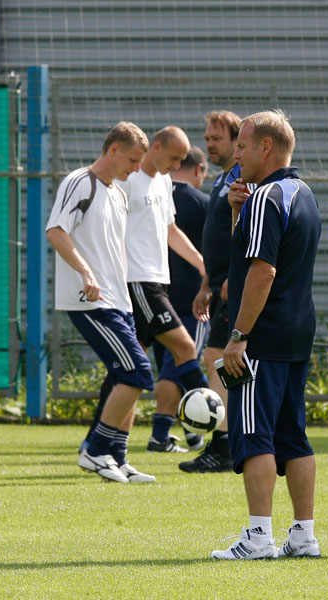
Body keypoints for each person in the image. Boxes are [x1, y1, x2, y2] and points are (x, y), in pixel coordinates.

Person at [211, 110, 322, 560]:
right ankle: (304, 535)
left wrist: (238, 336)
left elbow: (262, 272)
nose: (236, 154)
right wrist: (237, 212)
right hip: (297, 332)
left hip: (263, 336)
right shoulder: (303, 193)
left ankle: (259, 537)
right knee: (294, 437)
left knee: (255, 434)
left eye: (242, 144)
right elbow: (251, 257)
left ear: (266, 147)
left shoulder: (266, 198)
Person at [80, 126, 211, 454]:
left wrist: (202, 265)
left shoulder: (163, 181)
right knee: (184, 346)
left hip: (155, 281)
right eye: (174, 157)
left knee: (127, 370)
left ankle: (103, 444)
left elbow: (170, 230)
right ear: (156, 147)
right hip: (137, 281)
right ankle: (215, 421)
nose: (177, 165)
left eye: (182, 160)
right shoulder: (127, 178)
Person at [46, 122, 156, 483]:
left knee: (122, 377)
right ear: (113, 150)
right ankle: (95, 449)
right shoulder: (80, 182)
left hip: (118, 301)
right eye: (133, 160)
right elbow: (56, 230)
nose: (136, 169)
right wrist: (86, 273)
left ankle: (117, 457)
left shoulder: (119, 194)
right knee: (137, 372)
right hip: (89, 301)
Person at [179, 110, 243, 473]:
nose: (209, 144)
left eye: (216, 138)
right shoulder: (222, 179)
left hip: (235, 288)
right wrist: (207, 283)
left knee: (220, 359)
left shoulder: (244, 178)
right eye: (206, 138)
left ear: (237, 140)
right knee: (220, 360)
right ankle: (232, 442)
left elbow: (248, 233)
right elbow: (215, 237)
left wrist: (237, 276)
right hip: (219, 288)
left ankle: (226, 446)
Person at [150, 146, 210, 452]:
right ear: (199, 170)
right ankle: (160, 435)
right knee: (179, 367)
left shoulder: (153, 194)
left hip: (155, 298)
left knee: (172, 368)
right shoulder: (203, 203)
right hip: (193, 303)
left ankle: (191, 432)